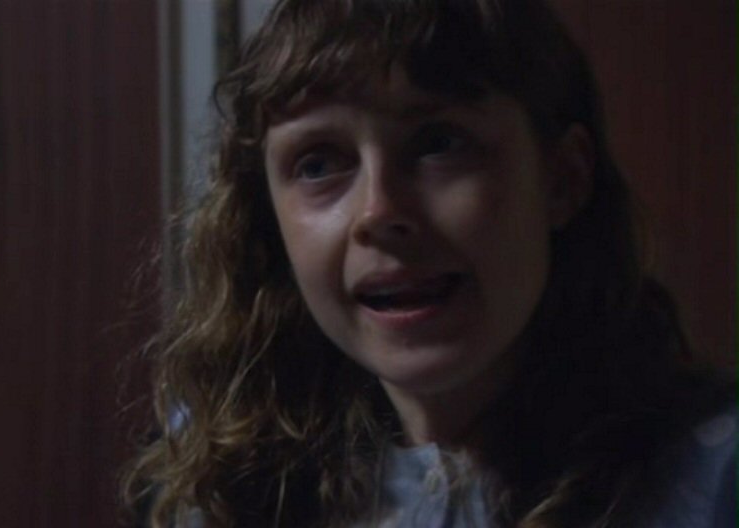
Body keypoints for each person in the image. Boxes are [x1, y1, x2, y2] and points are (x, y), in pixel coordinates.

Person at [123, 0, 736, 526]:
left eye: (440, 143)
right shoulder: (216, 472)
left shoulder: (714, 478)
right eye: (318, 163)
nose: (378, 211)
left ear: (562, 179)